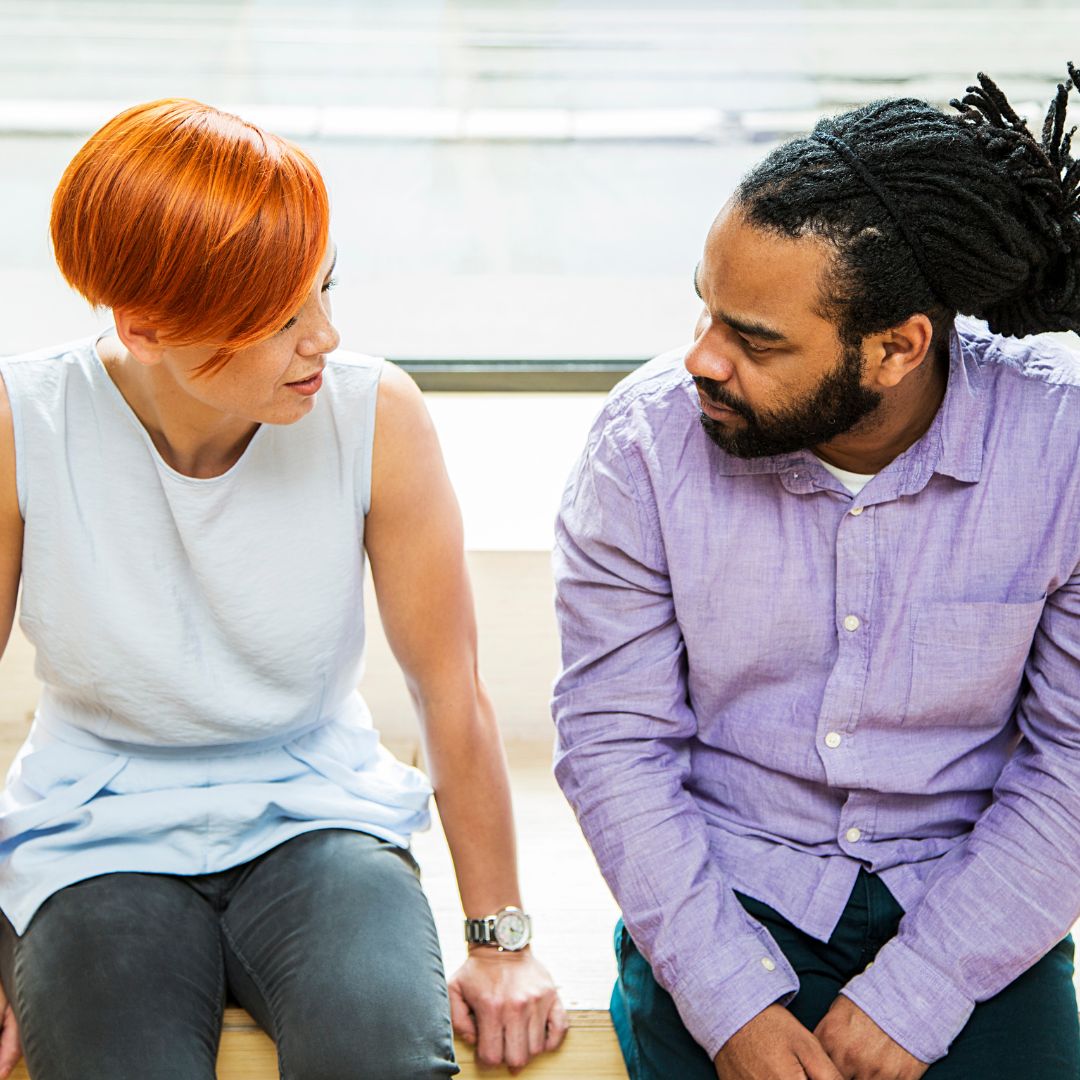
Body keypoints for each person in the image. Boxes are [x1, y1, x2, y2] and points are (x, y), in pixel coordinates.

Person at [0, 98, 567, 1079]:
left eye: (323, 291)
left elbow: (450, 686)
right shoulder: (25, 420)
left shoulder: (375, 412)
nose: (324, 337)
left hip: (318, 811)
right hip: (94, 826)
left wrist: (501, 939)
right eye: (277, 318)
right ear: (145, 329)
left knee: (381, 1055)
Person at [553, 65, 1080, 1080]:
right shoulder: (643, 447)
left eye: (753, 340)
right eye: (706, 312)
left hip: (966, 890)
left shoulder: (1058, 446)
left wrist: (924, 988)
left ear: (895, 350)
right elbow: (615, 742)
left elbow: (1072, 761)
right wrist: (727, 1001)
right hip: (729, 883)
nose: (702, 359)